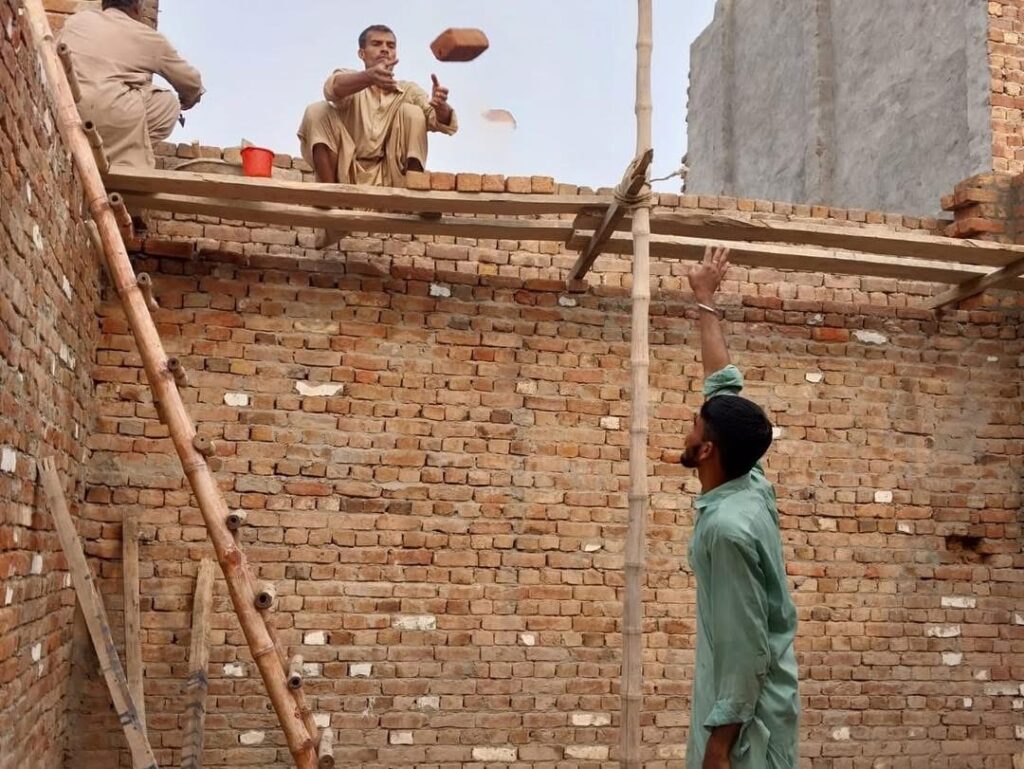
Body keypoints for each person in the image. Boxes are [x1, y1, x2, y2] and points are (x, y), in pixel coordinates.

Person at [681, 246, 800, 769]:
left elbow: (748, 645)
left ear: (707, 450)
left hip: (744, 726)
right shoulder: (749, 480)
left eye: (694, 427)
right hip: (752, 703)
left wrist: (720, 744)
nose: (686, 430)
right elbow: (722, 384)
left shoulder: (727, 530)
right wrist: (705, 299)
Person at [297, 24, 458, 187]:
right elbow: (333, 88)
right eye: (376, 44)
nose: (384, 49)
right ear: (362, 53)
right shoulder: (352, 80)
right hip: (345, 171)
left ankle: (413, 192)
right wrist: (369, 77)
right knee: (317, 110)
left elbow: (437, 120)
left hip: (390, 176)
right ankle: (328, 194)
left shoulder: (409, 91)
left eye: (391, 46)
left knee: (413, 112)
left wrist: (441, 107)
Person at [58, 0, 204, 170]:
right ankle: (121, 158)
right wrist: (190, 98)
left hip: (68, 108)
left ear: (104, 5)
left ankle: (104, 150)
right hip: (112, 117)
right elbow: (191, 82)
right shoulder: (147, 37)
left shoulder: (76, 22)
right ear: (137, 9)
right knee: (168, 104)